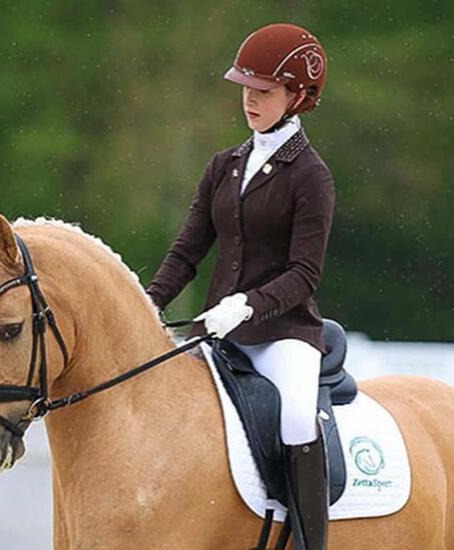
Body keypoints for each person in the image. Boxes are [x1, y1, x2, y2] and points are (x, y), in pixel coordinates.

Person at [146, 23, 335, 549]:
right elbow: (187, 252)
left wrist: (249, 306)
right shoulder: (224, 166)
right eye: (246, 89)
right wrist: (147, 303)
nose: (250, 100)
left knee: (296, 420)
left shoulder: (311, 177)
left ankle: (310, 542)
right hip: (217, 332)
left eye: (264, 91)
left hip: (283, 334)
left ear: (298, 96)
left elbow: (305, 273)